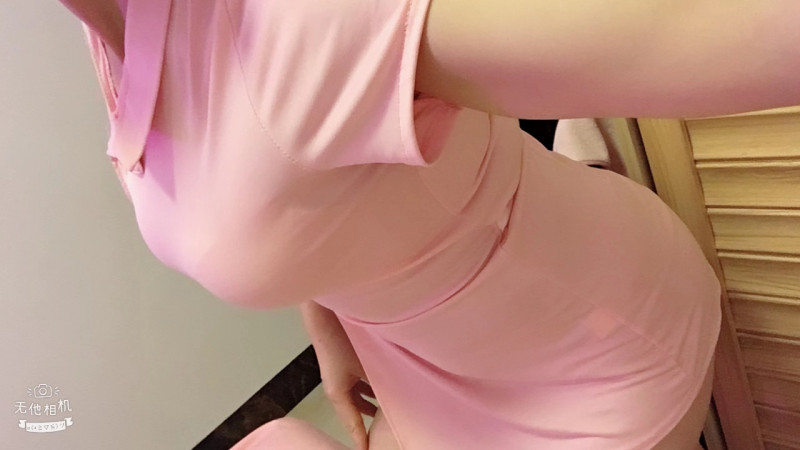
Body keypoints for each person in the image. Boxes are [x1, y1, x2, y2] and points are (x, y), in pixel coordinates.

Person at [59, 0, 800, 449]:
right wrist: (327, 324)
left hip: (587, 364)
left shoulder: (295, 17)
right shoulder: (109, 26)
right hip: (424, 371)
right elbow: (274, 168)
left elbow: (715, 31)